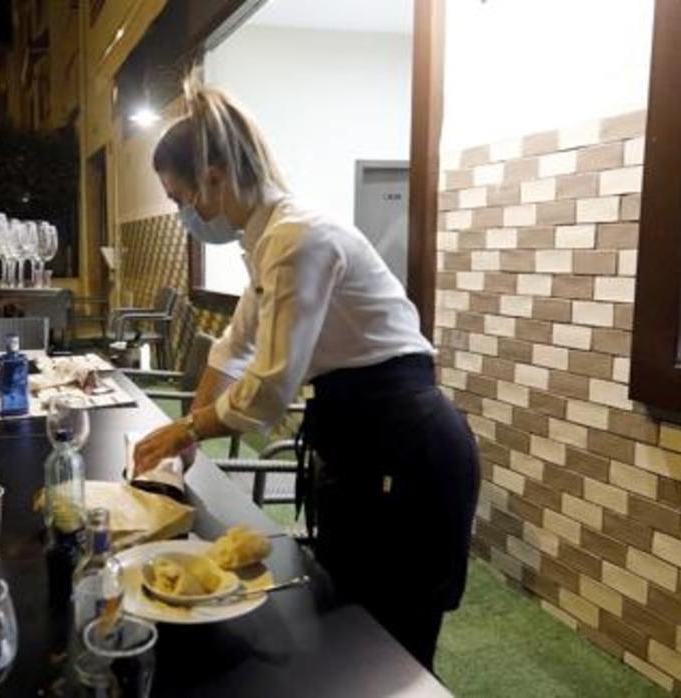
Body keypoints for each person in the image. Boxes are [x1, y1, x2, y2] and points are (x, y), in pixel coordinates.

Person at [131, 81, 479, 670]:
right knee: (345, 615)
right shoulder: (266, 240)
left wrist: (186, 427)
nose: (186, 213)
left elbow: (268, 393)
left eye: (180, 198)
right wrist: (186, 436)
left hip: (411, 449)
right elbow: (233, 348)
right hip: (359, 441)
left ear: (214, 177)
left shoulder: (297, 238)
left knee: (396, 641)